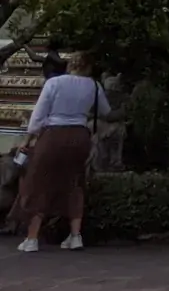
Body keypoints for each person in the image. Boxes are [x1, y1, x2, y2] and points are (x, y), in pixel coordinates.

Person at [12, 51, 110, 252]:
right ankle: (75, 236)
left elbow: (39, 114)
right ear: (88, 67)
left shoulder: (54, 83)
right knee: (74, 182)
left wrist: (28, 139)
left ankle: (32, 238)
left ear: (69, 65)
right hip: (80, 136)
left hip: (53, 135)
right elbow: (106, 112)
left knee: (39, 182)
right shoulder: (93, 85)